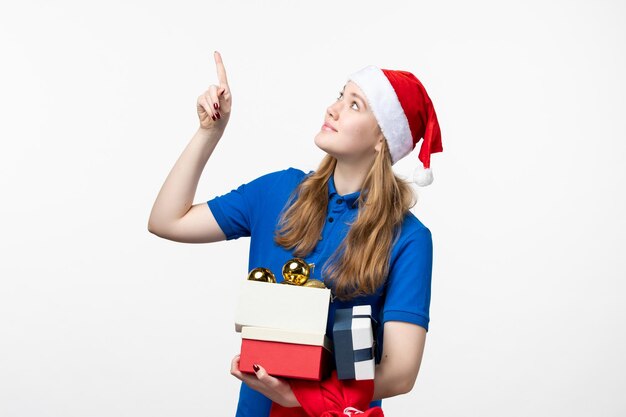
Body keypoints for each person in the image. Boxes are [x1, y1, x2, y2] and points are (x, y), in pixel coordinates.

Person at [148, 51, 443, 417]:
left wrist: (303, 396)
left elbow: (400, 373)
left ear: (383, 139)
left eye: (355, 105)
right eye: (340, 95)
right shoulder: (278, 192)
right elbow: (166, 220)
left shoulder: (409, 238)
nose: (333, 109)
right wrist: (210, 133)